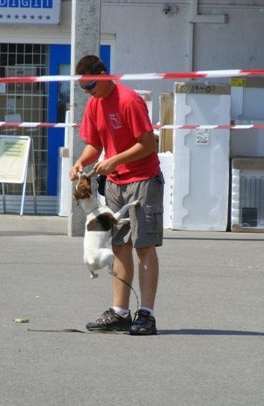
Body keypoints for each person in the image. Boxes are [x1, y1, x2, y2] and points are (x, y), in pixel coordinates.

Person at [70, 55, 164, 336]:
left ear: (104, 74)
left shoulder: (128, 100)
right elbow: (94, 144)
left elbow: (148, 144)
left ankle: (146, 313)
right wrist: (81, 162)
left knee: (143, 246)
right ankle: (120, 312)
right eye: (83, 88)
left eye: (91, 85)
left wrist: (114, 160)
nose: (88, 92)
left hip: (143, 179)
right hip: (115, 183)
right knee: (119, 246)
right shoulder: (94, 104)